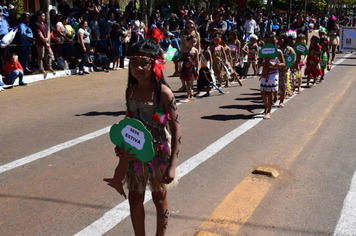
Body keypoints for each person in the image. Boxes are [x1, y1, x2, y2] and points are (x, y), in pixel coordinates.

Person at [104, 39, 181, 236]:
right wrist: (121, 146)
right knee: (135, 198)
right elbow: (129, 121)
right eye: (134, 63)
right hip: (134, 155)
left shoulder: (164, 93)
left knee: (159, 197)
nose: (138, 68)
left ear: (155, 64)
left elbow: (176, 129)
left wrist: (172, 165)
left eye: (143, 63)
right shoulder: (130, 90)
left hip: (158, 154)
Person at [257, 33, 285, 120]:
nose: (267, 42)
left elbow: (284, 64)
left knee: (269, 93)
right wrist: (264, 63)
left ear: (273, 41)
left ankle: (268, 111)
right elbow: (259, 62)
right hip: (265, 72)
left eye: (269, 40)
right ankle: (266, 107)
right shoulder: (262, 51)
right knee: (263, 92)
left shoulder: (278, 51)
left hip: (273, 73)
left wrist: (274, 64)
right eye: (266, 40)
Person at [277, 32, 295, 108]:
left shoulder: (289, 49)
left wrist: (288, 64)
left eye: (282, 38)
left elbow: (293, 58)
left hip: (284, 70)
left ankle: (281, 101)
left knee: (283, 86)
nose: (280, 40)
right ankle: (276, 97)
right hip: (276, 69)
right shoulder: (276, 48)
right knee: (276, 86)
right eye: (279, 39)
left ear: (285, 39)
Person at [180, 34, 199, 103]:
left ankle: (190, 95)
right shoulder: (184, 49)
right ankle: (189, 95)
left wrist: (197, 70)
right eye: (191, 42)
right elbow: (181, 58)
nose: (193, 43)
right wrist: (177, 59)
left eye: (194, 42)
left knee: (191, 82)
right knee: (187, 82)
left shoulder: (195, 50)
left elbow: (197, 61)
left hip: (192, 68)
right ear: (187, 41)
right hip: (185, 68)